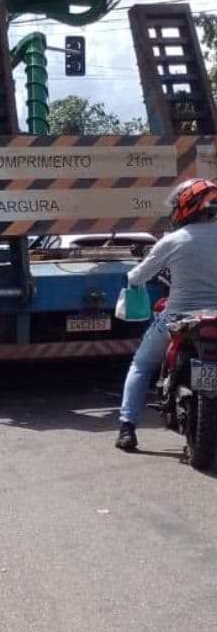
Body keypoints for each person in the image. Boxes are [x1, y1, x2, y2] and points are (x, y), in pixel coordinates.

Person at [116, 177, 217, 451]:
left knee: (140, 365)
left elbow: (137, 276)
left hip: (178, 317)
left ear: (186, 206)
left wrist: (134, 281)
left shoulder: (173, 240)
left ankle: (127, 428)